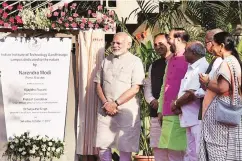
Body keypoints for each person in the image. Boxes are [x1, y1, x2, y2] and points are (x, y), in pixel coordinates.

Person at [94, 32, 145, 161]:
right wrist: (106, 104)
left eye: (118, 43)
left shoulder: (135, 61)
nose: (115, 46)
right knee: (103, 146)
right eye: (113, 43)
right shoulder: (106, 61)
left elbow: (136, 87)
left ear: (128, 45)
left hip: (126, 111)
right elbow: (98, 84)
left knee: (125, 147)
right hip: (106, 110)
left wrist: (115, 104)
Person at [199, 32, 242, 160]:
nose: (212, 48)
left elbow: (222, 87)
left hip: (220, 120)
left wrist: (207, 82)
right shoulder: (233, 61)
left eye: (214, 44)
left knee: (218, 151)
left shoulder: (227, 62)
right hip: (222, 118)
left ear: (221, 45)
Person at [171, 41, 208, 161]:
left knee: (198, 152)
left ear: (193, 52)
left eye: (186, 51)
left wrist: (176, 104)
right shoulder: (192, 66)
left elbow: (191, 94)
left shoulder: (201, 67)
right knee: (191, 153)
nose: (183, 54)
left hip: (197, 117)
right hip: (189, 116)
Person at [157, 28, 189, 161]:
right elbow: (165, 85)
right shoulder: (171, 59)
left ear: (178, 39)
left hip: (182, 111)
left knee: (183, 152)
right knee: (170, 152)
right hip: (167, 112)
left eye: (169, 38)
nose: (168, 41)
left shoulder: (190, 57)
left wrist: (180, 104)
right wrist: (160, 110)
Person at [144, 33, 172, 160]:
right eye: (155, 45)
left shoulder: (178, 62)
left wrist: (163, 102)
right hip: (155, 113)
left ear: (169, 42)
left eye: (161, 44)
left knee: (173, 150)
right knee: (158, 148)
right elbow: (148, 85)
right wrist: (152, 100)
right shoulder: (154, 65)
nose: (157, 47)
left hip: (172, 114)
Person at [195, 28, 223, 119]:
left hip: (217, 110)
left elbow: (219, 86)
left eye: (206, 42)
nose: (206, 46)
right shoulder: (217, 59)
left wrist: (205, 82)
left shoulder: (222, 60)